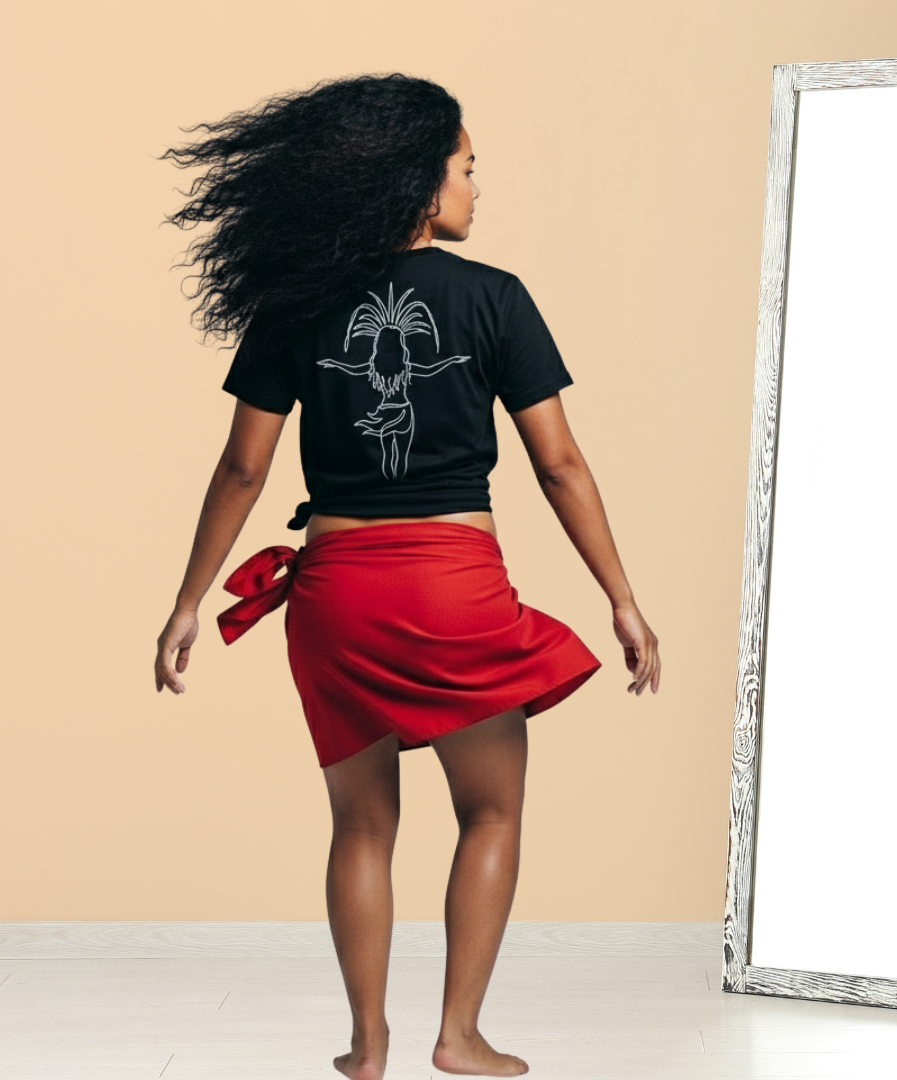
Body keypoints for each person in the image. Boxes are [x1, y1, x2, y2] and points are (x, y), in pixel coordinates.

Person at [153, 74, 660, 1080]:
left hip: (336, 592)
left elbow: (243, 468)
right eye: (468, 169)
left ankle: (367, 1045)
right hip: (449, 583)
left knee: (361, 824)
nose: (478, 187)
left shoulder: (294, 305)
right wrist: (622, 598)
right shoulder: (494, 300)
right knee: (493, 811)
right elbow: (559, 464)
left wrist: (185, 602)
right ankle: (459, 1036)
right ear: (419, 186)